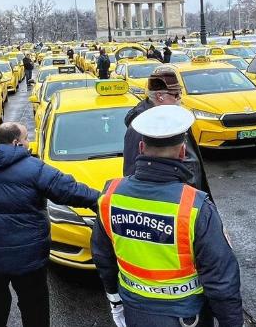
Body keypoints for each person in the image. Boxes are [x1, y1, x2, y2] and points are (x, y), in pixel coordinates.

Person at [92, 105, 243, 327]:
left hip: (136, 311)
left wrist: (115, 300)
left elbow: (102, 255)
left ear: (141, 147)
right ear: (182, 152)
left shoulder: (110, 195)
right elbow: (220, 278)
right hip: (186, 316)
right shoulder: (194, 205)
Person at [0, 122, 99, 327]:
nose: (29, 142)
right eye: (26, 138)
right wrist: (100, 200)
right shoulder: (33, 168)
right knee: (34, 302)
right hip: (29, 257)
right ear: (16, 143)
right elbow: (68, 190)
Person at [123, 66, 212, 197]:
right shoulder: (142, 127)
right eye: (176, 94)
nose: (180, 98)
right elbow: (132, 173)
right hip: (172, 199)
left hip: (188, 195)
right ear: (160, 96)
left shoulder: (175, 116)